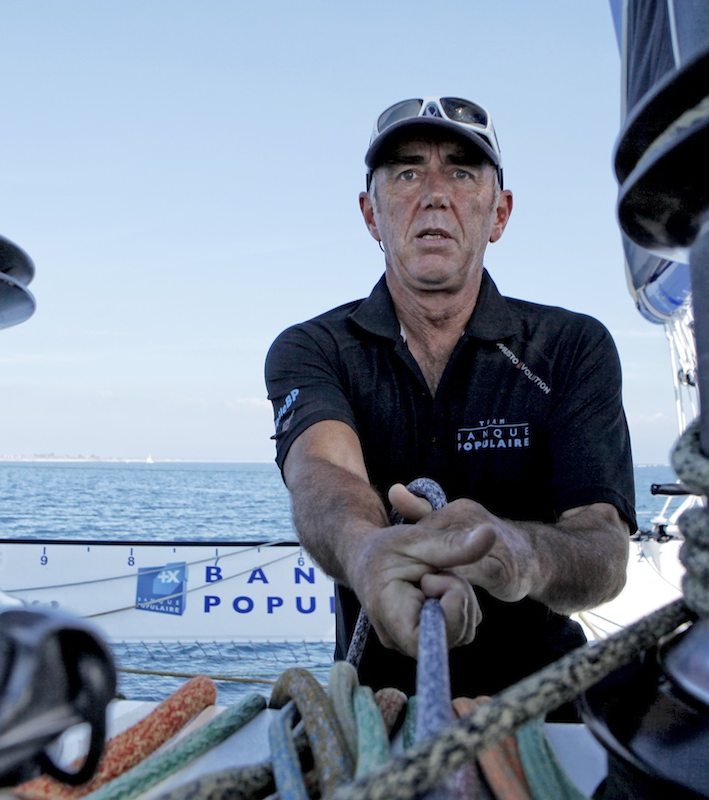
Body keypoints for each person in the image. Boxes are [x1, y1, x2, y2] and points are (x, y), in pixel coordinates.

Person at [264, 96, 636, 700]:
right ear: (370, 213)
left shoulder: (573, 347)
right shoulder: (312, 348)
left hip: (546, 708)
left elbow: (604, 551)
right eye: (407, 173)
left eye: (462, 172)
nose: (434, 193)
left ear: (499, 213)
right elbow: (323, 472)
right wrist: (367, 552)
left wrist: (516, 550)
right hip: (375, 712)